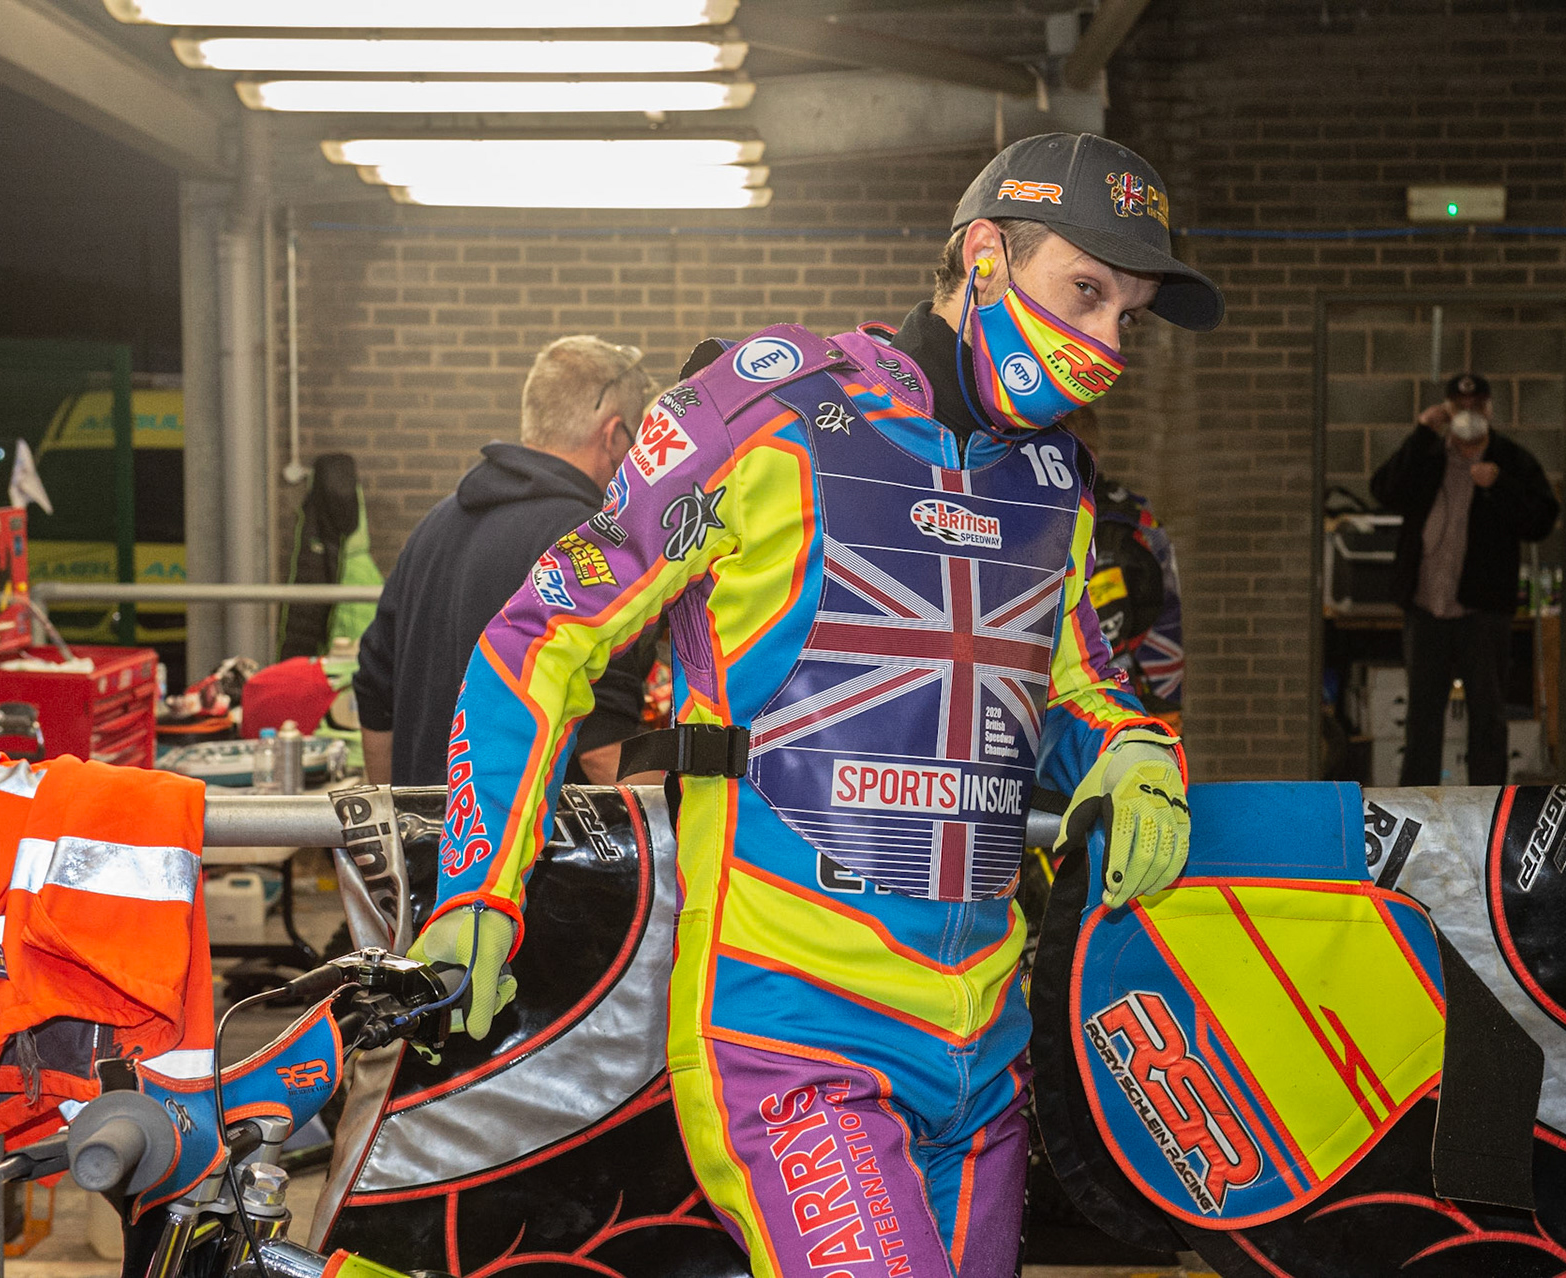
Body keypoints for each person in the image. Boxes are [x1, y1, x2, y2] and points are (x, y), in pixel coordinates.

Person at [414, 132, 1221, 1278]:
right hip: (793, 1035)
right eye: (1085, 292)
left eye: (1128, 318)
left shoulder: (1057, 483)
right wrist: (478, 883)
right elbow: (538, 635)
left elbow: (1083, 689)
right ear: (985, 255)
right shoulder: (767, 410)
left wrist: (1138, 753)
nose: (1106, 346)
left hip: (983, 1059)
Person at [354, 336, 654, 788]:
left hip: (434, 830)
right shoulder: (589, 544)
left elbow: (374, 693)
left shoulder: (433, 526)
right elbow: (605, 753)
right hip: (534, 835)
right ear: (613, 437)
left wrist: (403, 818)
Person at [1369, 371, 1559, 786]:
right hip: (1426, 608)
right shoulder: (1428, 455)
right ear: (1447, 409)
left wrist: (1501, 485)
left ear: (1489, 409)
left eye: (1476, 406)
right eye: (1459, 406)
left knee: (1488, 714)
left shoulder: (1512, 460)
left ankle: (1487, 804)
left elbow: (1542, 520)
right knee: (1422, 716)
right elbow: (1383, 490)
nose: (1468, 413)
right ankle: (1418, 802)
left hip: (1483, 612)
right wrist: (1422, 432)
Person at [1063, 406, 1185, 729]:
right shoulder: (1134, 514)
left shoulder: (1114, 525)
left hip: (1123, 710)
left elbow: (1154, 628)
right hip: (1146, 701)